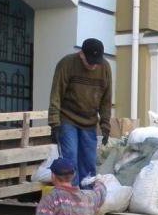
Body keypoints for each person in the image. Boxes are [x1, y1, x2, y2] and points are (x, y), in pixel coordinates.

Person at [48, 38, 112, 187]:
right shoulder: (67, 64)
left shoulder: (105, 68)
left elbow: (106, 100)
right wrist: (54, 124)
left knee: (89, 162)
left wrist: (105, 125)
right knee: (70, 159)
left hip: (89, 121)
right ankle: (73, 196)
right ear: (81, 54)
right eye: (90, 61)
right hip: (68, 119)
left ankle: (88, 197)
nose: (93, 65)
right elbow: (56, 94)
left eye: (96, 61)